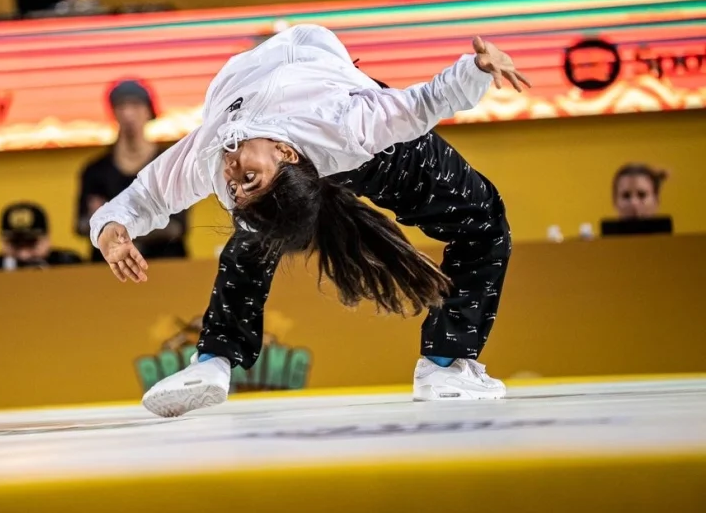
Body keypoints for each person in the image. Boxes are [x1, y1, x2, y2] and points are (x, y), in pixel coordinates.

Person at [88, 24, 530, 416]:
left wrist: (108, 229)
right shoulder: (346, 124)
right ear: (285, 154)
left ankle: (212, 360)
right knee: (483, 217)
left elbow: (143, 197)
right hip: (371, 152)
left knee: (255, 228)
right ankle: (444, 366)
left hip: (337, 133)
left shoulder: (210, 154)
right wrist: (475, 70)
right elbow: (422, 104)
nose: (230, 174)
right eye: (247, 178)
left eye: (237, 185)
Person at [75, 80, 188, 263]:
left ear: (148, 111)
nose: (128, 114)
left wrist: (110, 225)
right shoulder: (95, 170)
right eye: (121, 106)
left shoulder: (168, 164)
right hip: (110, 266)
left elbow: (176, 226)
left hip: (164, 264)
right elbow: (81, 224)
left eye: (135, 105)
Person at [0, 202, 82, 272]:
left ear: (47, 240)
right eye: (15, 244)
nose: (24, 254)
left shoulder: (69, 265)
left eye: (31, 243)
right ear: (3, 242)